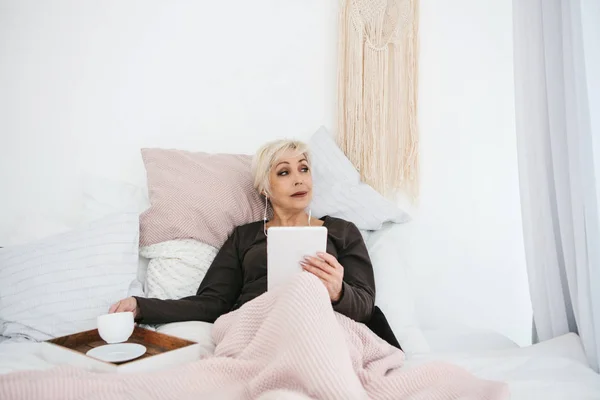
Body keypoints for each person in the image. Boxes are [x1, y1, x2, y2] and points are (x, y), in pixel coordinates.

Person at [109, 139, 401, 349]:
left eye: (304, 169)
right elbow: (212, 303)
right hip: (257, 328)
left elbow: (364, 307)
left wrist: (338, 292)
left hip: (322, 328)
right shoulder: (244, 237)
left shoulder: (342, 232)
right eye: (284, 172)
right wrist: (141, 307)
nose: (299, 180)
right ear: (265, 187)